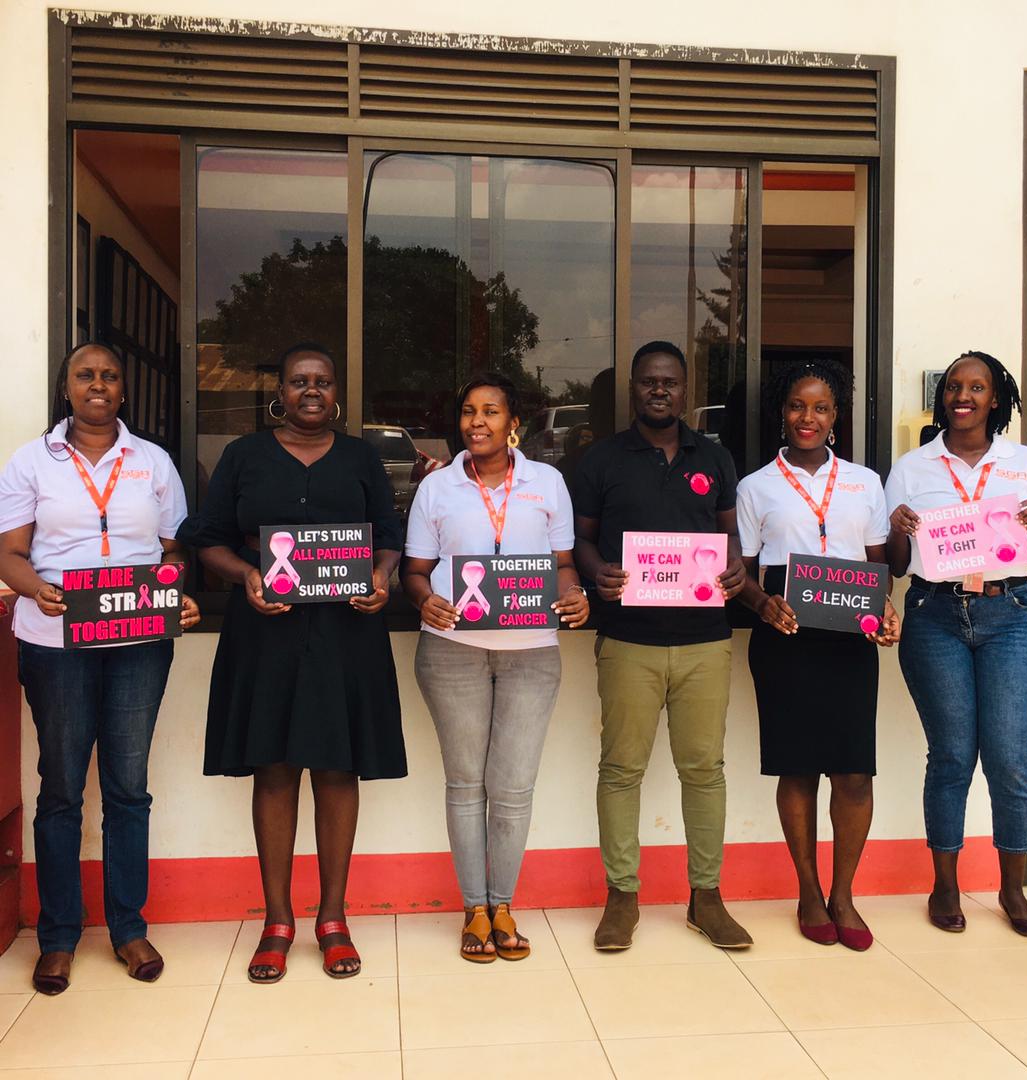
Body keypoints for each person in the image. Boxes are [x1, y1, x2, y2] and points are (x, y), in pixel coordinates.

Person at [178, 343, 405, 982]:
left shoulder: (361, 457)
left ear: (337, 394)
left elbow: (388, 538)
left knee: (337, 769)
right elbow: (207, 537)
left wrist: (382, 580)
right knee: (273, 769)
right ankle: (278, 919)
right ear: (279, 390)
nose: (312, 390)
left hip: (345, 634)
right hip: (265, 633)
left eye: (323, 381)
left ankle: (332, 918)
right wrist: (247, 574)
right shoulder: (244, 456)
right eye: (300, 380)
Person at [0, 342, 200, 994]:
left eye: (110, 376)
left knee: (127, 787)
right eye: (86, 374)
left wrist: (174, 591)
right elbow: (9, 554)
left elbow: (174, 549)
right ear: (67, 388)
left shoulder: (152, 462)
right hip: (55, 643)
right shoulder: (32, 461)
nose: (99, 384)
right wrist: (35, 589)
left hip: (138, 643)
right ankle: (58, 934)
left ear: (122, 390)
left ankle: (127, 925)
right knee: (60, 788)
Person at [403, 372, 588, 963]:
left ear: (515, 425)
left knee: (511, 788)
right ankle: (473, 909)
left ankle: (503, 903)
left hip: (531, 652)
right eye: (467, 412)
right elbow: (415, 569)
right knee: (465, 783)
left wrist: (576, 591)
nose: (476, 422)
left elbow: (562, 565)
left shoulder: (548, 483)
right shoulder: (438, 488)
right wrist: (421, 598)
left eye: (490, 412)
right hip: (452, 648)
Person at [573, 340, 750, 952]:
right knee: (622, 770)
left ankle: (707, 897)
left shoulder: (717, 457)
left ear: (687, 392)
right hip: (629, 640)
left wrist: (734, 572)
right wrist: (598, 573)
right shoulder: (601, 460)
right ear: (633, 389)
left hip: (705, 640)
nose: (659, 390)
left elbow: (732, 539)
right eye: (648, 381)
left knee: (704, 770)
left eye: (670, 382)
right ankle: (622, 896)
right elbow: (584, 542)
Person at [886, 351, 1027, 936]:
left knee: (1010, 760)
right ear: (944, 397)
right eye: (955, 386)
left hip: (1008, 614)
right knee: (953, 756)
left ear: (994, 398)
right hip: (935, 616)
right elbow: (897, 563)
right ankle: (946, 887)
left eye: (977, 387)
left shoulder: (1025, 463)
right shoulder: (913, 467)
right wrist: (898, 531)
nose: (963, 395)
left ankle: (1013, 890)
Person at [735, 359, 899, 951]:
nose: (809, 417)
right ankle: (808, 891)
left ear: (836, 416)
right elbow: (742, 574)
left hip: (850, 638)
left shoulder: (865, 482)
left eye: (821, 407)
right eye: (799, 406)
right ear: (783, 411)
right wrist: (762, 605)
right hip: (786, 639)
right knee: (798, 766)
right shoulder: (755, 486)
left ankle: (844, 894)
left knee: (854, 769)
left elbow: (878, 564)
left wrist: (884, 609)